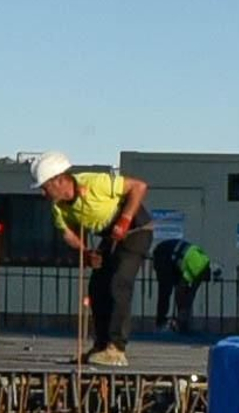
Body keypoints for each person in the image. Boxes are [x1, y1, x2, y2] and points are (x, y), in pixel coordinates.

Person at [31, 151, 154, 366]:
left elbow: (139, 187)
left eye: (45, 187)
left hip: (136, 230)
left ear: (59, 180)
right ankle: (101, 345)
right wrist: (86, 253)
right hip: (110, 236)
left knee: (119, 282)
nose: (44, 193)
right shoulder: (58, 208)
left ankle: (116, 348)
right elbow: (68, 234)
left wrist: (124, 220)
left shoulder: (95, 182)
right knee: (97, 286)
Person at [151, 237, 212, 333]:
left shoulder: (204, 260)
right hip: (163, 254)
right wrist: (184, 307)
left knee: (183, 294)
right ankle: (161, 323)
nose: (202, 282)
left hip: (174, 254)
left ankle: (182, 321)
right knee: (166, 290)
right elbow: (182, 288)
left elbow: (192, 290)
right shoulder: (196, 269)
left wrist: (186, 302)